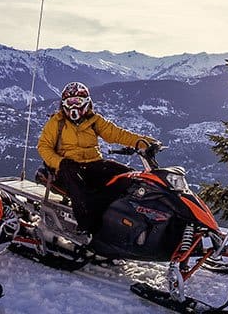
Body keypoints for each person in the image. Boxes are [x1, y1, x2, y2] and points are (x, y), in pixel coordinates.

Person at [37, 82, 158, 234]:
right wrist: (60, 162)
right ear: (63, 104)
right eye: (70, 102)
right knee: (79, 187)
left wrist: (146, 143)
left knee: (129, 176)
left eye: (78, 102)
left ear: (86, 102)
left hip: (93, 164)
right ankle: (86, 228)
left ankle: (119, 218)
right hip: (67, 166)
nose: (74, 107)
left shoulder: (94, 121)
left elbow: (117, 134)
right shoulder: (57, 122)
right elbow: (43, 146)